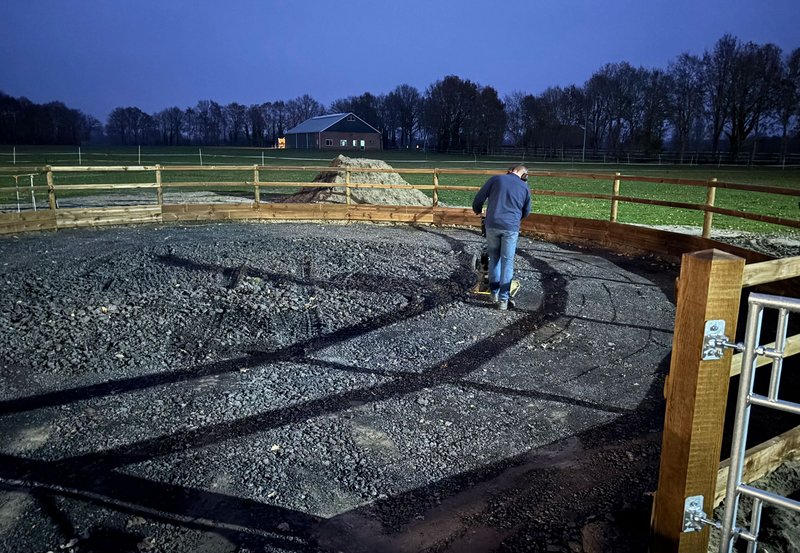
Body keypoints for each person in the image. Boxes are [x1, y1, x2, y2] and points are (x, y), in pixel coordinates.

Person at [472, 164, 532, 310]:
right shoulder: (525, 187)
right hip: (510, 228)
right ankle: (503, 300)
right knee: (507, 262)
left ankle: (494, 293)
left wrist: (477, 210)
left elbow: (479, 198)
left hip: (492, 224)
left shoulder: (496, 179)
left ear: (510, 171)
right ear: (524, 175)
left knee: (494, 259)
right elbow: (526, 211)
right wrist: (515, 219)